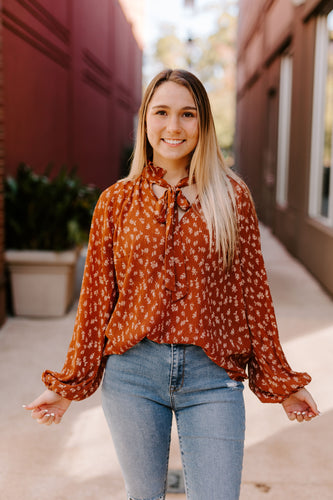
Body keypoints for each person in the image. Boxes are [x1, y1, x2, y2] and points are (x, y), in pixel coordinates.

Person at [24, 69, 319, 500]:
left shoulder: (232, 198)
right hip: (133, 376)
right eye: (161, 112)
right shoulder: (115, 202)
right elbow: (95, 303)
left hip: (212, 377)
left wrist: (282, 381)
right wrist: (70, 384)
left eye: (187, 114)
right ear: (145, 120)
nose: (174, 126)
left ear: (203, 124)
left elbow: (255, 295)